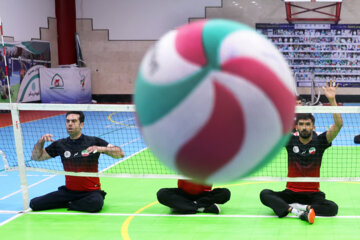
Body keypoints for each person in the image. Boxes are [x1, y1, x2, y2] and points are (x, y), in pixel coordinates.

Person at [259, 80, 343, 224]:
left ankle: (295, 208)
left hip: (313, 194)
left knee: (332, 208)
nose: (304, 127)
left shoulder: (321, 142)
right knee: (264, 194)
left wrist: (331, 99)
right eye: (301, 125)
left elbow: (338, 125)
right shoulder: (289, 140)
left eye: (307, 124)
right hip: (291, 192)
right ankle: (300, 211)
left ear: (313, 127)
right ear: (296, 127)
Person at [30, 111, 124, 213]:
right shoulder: (60, 144)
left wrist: (101, 149)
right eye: (68, 121)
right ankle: (74, 202)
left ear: (81, 125)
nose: (70, 123)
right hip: (69, 191)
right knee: (34, 204)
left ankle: (69, 203)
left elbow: (120, 153)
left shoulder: (94, 141)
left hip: (91, 192)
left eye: (74, 121)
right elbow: (36, 157)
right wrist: (41, 142)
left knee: (95, 203)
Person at [157, 179, 231, 214]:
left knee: (225, 193)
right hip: (183, 194)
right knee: (162, 193)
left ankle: (181, 206)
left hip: (203, 195)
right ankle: (202, 208)